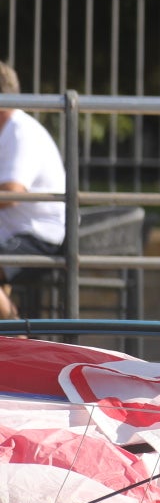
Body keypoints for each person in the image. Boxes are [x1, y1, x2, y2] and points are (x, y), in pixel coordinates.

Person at [0, 61, 67, 320]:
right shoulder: (7, 131)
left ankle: (15, 334)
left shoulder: (20, 131)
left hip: (38, 236)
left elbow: (12, 192)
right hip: (16, 231)